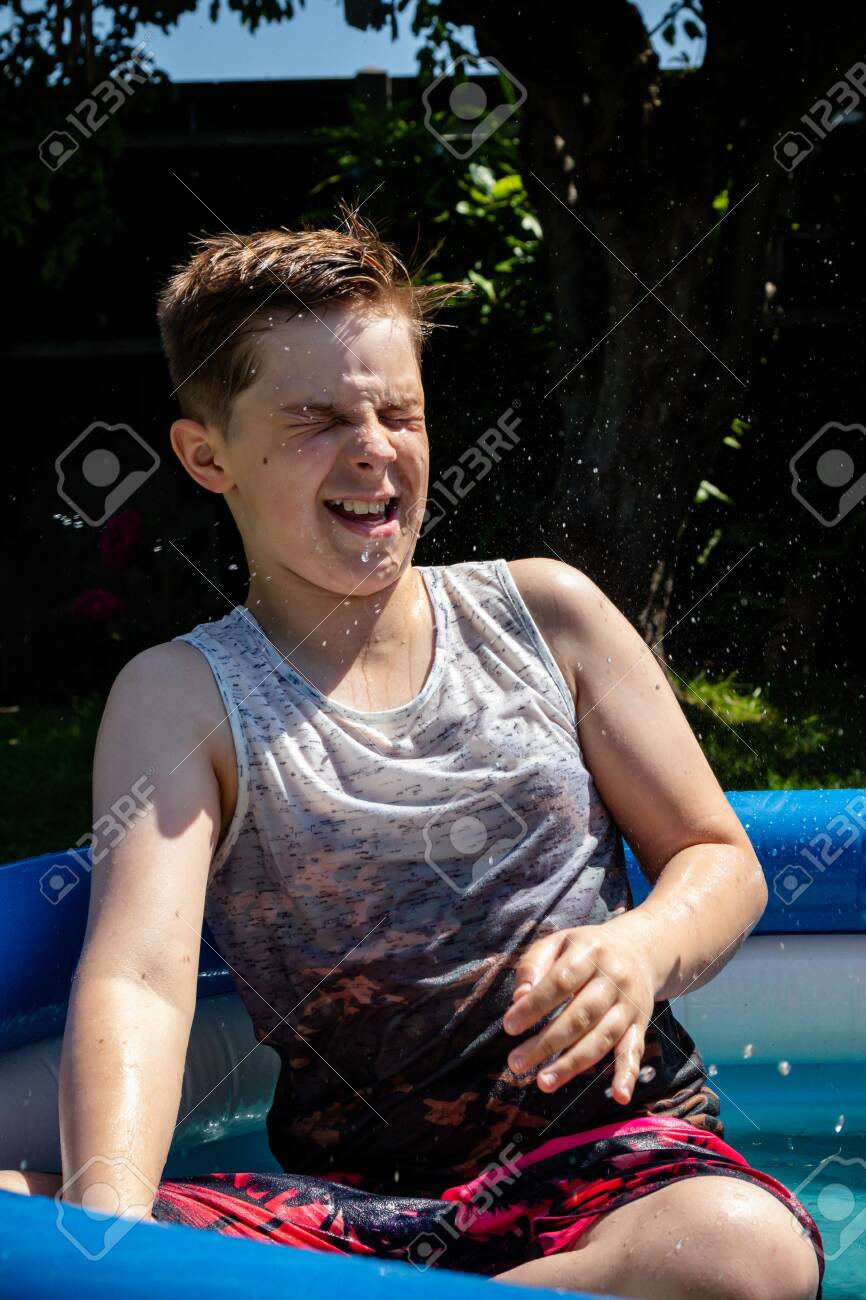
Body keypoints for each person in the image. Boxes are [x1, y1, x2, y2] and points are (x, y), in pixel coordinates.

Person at [0, 211, 822, 1299]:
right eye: (314, 419)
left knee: (742, 1246)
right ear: (207, 455)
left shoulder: (548, 616)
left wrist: (643, 944)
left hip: (614, 1171)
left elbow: (718, 855)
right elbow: (141, 979)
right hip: (352, 1215)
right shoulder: (184, 696)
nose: (373, 447)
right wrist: (114, 1238)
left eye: (399, 412)